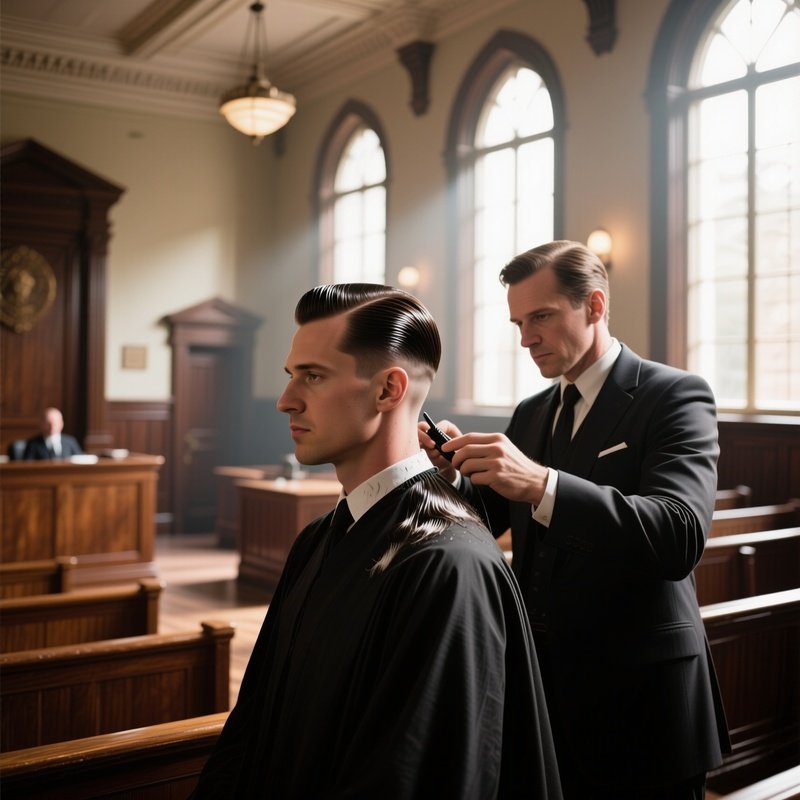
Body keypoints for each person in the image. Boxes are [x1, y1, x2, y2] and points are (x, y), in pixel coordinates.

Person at [193, 284, 562, 799]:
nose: (284, 400)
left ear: (389, 390)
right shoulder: (317, 539)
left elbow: (418, 776)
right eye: (290, 376)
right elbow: (257, 721)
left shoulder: (448, 566)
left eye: (313, 376)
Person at [420, 241, 731, 800]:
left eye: (541, 316)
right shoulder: (532, 412)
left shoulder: (674, 395)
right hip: (545, 693)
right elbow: (488, 520)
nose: (525, 338)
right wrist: (452, 474)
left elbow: (678, 535)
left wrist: (542, 483)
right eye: (518, 322)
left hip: (643, 702)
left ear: (593, 305)